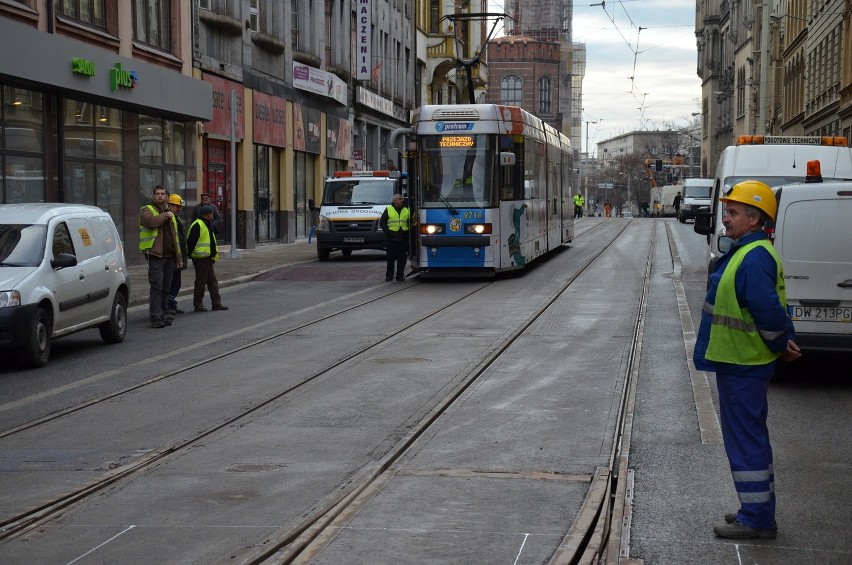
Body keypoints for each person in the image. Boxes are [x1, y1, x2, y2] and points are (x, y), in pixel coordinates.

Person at [692, 180, 800, 540]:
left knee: (746, 441)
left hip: (743, 364)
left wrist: (782, 342)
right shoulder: (750, 252)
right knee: (750, 439)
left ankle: (756, 519)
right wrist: (784, 341)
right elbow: (774, 307)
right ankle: (755, 509)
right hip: (740, 363)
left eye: (733, 212)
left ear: (755, 219)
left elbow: (770, 313)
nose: (726, 218)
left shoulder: (752, 258)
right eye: (728, 211)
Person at [139, 185, 183, 329]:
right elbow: (151, 222)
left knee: (166, 287)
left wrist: (179, 258)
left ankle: (164, 314)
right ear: (153, 196)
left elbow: (174, 237)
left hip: (169, 256)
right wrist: (166, 215)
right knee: (157, 287)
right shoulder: (146, 209)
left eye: (162, 194)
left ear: (167, 196)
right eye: (157, 194)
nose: (160, 196)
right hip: (155, 255)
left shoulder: (168, 212)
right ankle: (155, 317)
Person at [187, 205, 229, 312]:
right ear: (206, 215)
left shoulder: (208, 224)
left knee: (212, 282)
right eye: (211, 214)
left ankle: (216, 303)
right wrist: (191, 256)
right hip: (201, 258)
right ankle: (198, 304)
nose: (212, 215)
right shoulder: (198, 225)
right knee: (201, 282)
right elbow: (191, 242)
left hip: (208, 258)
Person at [379, 194, 411, 282]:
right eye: (400, 199)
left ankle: (400, 276)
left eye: (402, 199)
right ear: (394, 201)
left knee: (402, 258)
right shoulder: (389, 209)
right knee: (390, 258)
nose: (402, 200)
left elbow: (412, 221)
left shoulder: (407, 209)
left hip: (403, 237)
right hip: (391, 238)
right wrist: (388, 233)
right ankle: (389, 276)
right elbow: (382, 222)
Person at [166, 193, 188, 315]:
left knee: (176, 282)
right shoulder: (169, 218)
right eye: (176, 206)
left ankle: (171, 304)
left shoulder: (177, 219)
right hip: (172, 256)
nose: (179, 209)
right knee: (171, 282)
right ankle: (168, 305)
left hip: (177, 256)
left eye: (180, 207)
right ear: (169, 206)